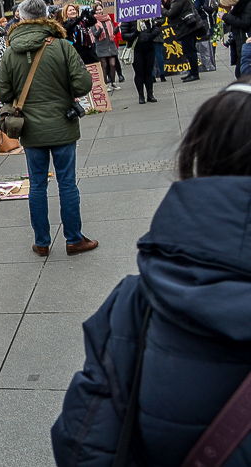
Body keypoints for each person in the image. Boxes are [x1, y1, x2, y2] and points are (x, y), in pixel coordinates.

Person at [52, 79, 251, 465]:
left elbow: (83, 444)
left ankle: (44, 236)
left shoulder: (134, 303)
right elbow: (77, 79)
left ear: (200, 155)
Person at [0, 0, 97, 257]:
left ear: (19, 17)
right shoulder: (62, 46)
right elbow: (84, 84)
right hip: (62, 123)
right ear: (46, 16)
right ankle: (74, 240)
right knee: (67, 184)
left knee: (37, 185)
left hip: (29, 128)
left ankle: (41, 242)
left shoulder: (10, 52)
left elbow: (2, 92)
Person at [162, 0, 204, 82]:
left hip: (188, 29)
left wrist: (162, 8)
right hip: (187, 29)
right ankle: (192, 72)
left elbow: (171, 13)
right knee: (189, 51)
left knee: (190, 51)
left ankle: (194, 73)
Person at [120, 16, 160, 104]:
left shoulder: (148, 16)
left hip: (149, 46)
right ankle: (141, 95)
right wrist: (134, 34)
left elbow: (156, 29)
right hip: (136, 48)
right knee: (139, 73)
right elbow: (123, 35)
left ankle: (150, 94)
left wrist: (151, 35)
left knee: (148, 72)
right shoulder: (128, 18)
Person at [221, 0, 251, 78]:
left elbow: (245, 23)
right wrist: (228, 41)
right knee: (240, 74)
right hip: (241, 42)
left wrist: (226, 17)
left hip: (247, 41)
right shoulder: (238, 5)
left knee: (243, 75)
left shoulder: (247, 4)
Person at [91, 1, 120, 90]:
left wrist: (117, 28)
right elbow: (95, 34)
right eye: (97, 10)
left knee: (113, 64)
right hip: (101, 47)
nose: (99, 11)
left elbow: (112, 32)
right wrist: (99, 30)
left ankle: (113, 82)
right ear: (95, 11)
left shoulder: (108, 19)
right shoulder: (93, 21)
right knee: (104, 66)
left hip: (110, 45)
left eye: (100, 9)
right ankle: (105, 84)